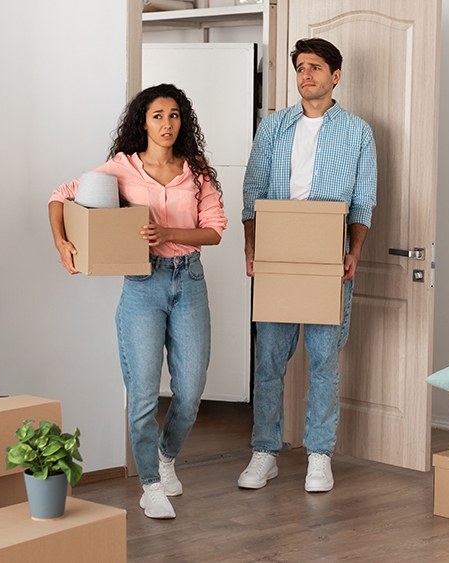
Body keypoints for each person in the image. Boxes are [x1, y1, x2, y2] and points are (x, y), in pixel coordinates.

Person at [47, 83, 227, 519]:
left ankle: (166, 457)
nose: (167, 124)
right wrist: (62, 243)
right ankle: (150, 483)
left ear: (183, 121)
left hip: (190, 281)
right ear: (142, 123)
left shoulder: (197, 170)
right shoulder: (120, 169)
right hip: (142, 286)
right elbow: (61, 195)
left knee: (190, 392)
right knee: (144, 394)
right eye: (157, 116)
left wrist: (169, 234)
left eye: (174, 115)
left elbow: (215, 230)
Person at [239, 38, 377, 493]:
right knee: (269, 359)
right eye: (300, 67)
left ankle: (320, 455)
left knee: (324, 361)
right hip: (277, 252)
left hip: (327, 255)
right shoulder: (273, 127)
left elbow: (363, 201)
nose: (306, 75)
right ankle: (265, 452)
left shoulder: (357, 132)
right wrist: (252, 249)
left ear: (335, 76)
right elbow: (251, 192)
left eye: (315, 67)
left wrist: (354, 251)